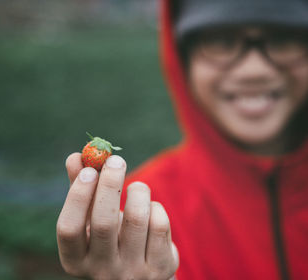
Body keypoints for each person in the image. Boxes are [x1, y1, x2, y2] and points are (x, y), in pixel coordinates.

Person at [56, 0, 308, 279]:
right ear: (181, 57)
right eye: (221, 41)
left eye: (284, 39)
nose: (254, 70)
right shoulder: (133, 215)